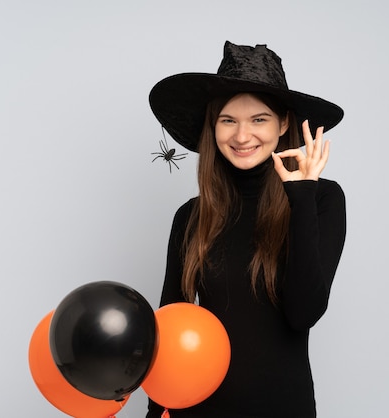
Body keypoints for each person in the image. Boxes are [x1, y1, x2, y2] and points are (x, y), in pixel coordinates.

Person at [146, 41, 346, 418]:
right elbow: (169, 329)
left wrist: (301, 196)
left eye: (259, 119)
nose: (241, 136)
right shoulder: (189, 217)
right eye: (228, 120)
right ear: (213, 126)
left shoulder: (321, 200)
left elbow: (303, 314)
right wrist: (155, 412)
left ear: (283, 123)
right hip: (196, 410)